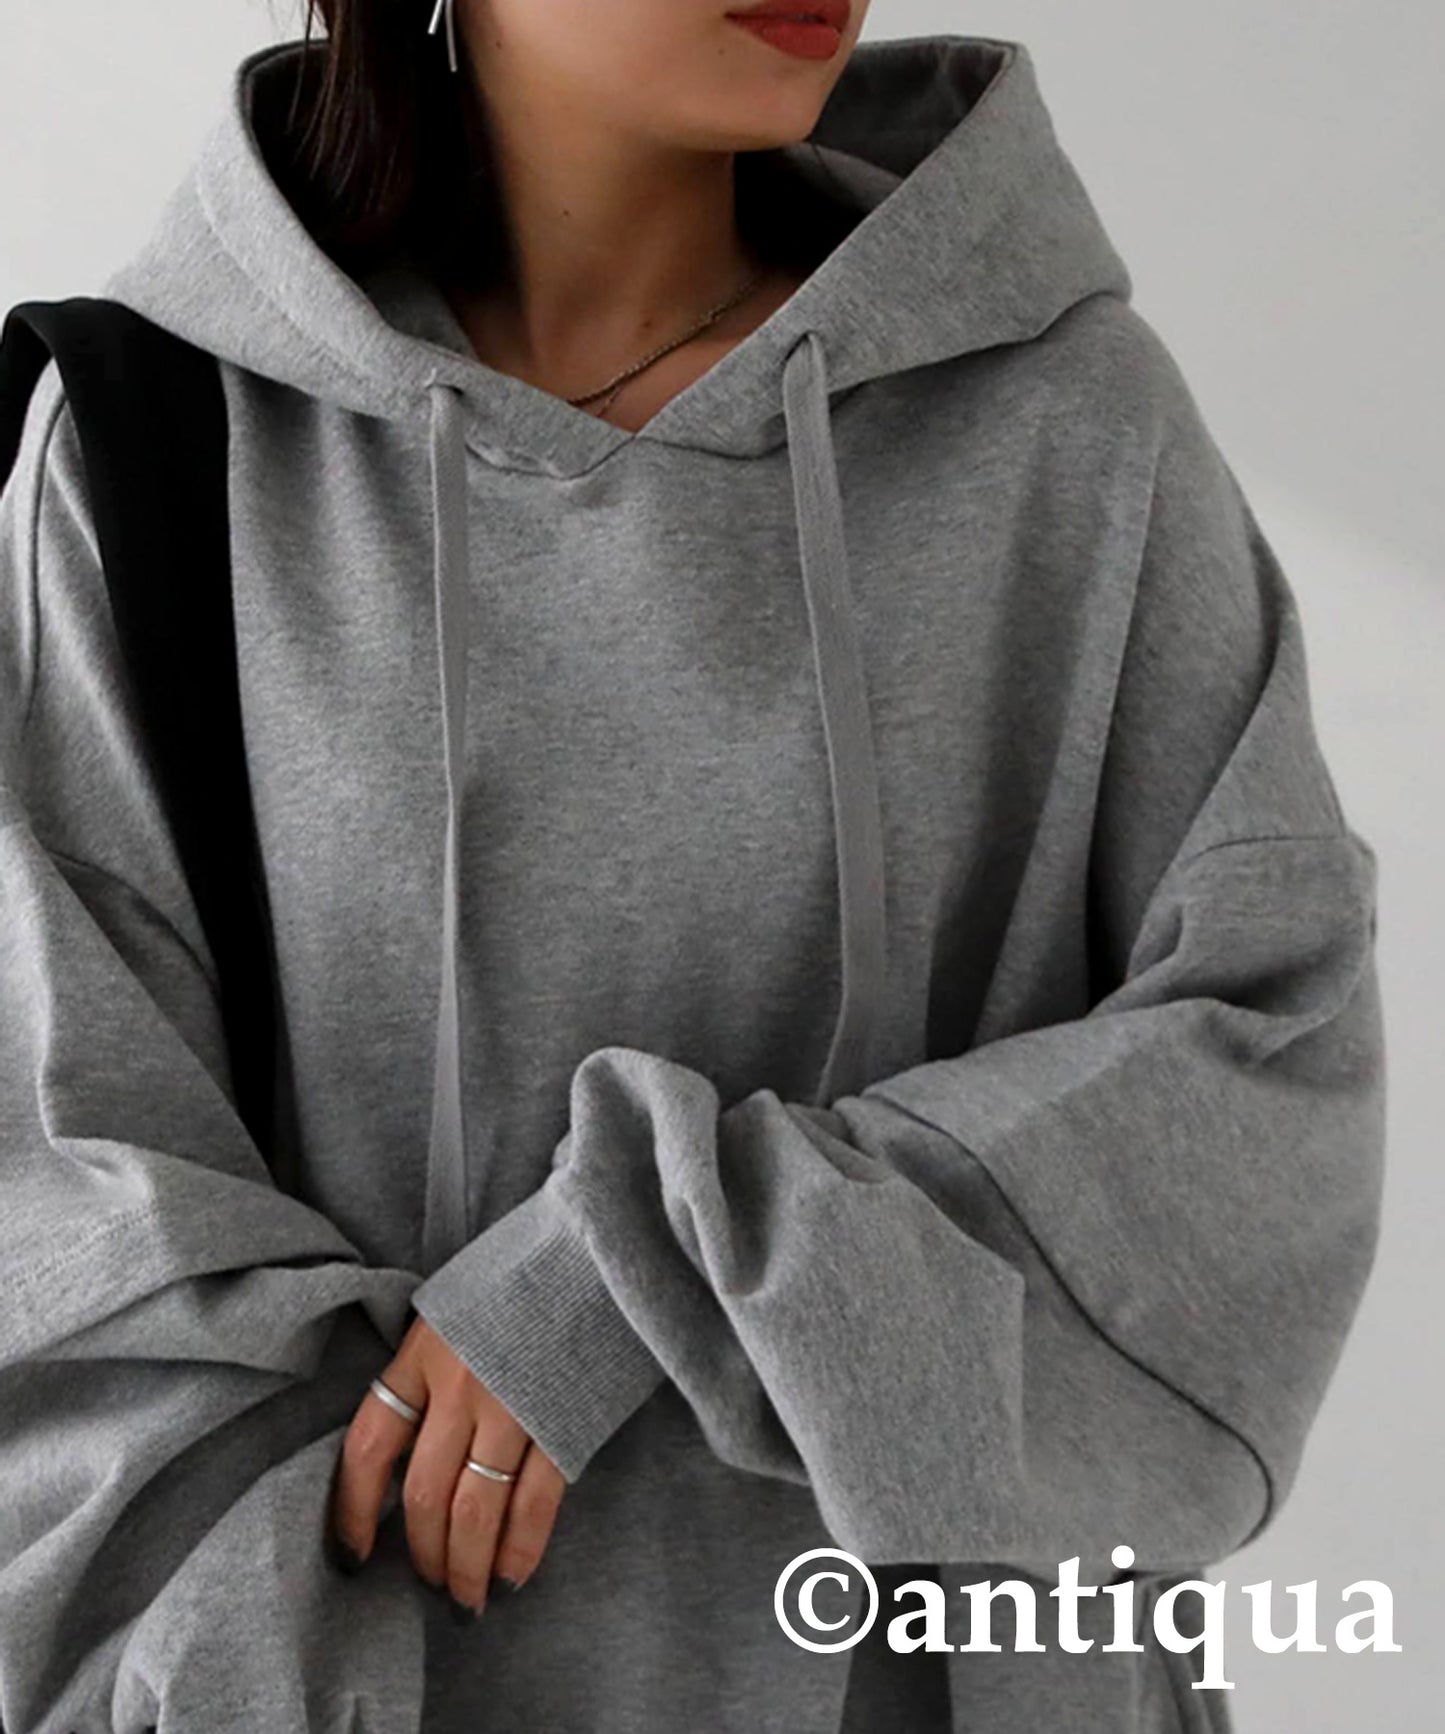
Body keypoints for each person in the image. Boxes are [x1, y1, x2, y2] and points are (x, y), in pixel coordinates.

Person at [0, 2, 1387, 1731]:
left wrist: (647, 1258)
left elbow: (1270, 1084)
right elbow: (61, 1236)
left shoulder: (1072, 427)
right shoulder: (156, 456)